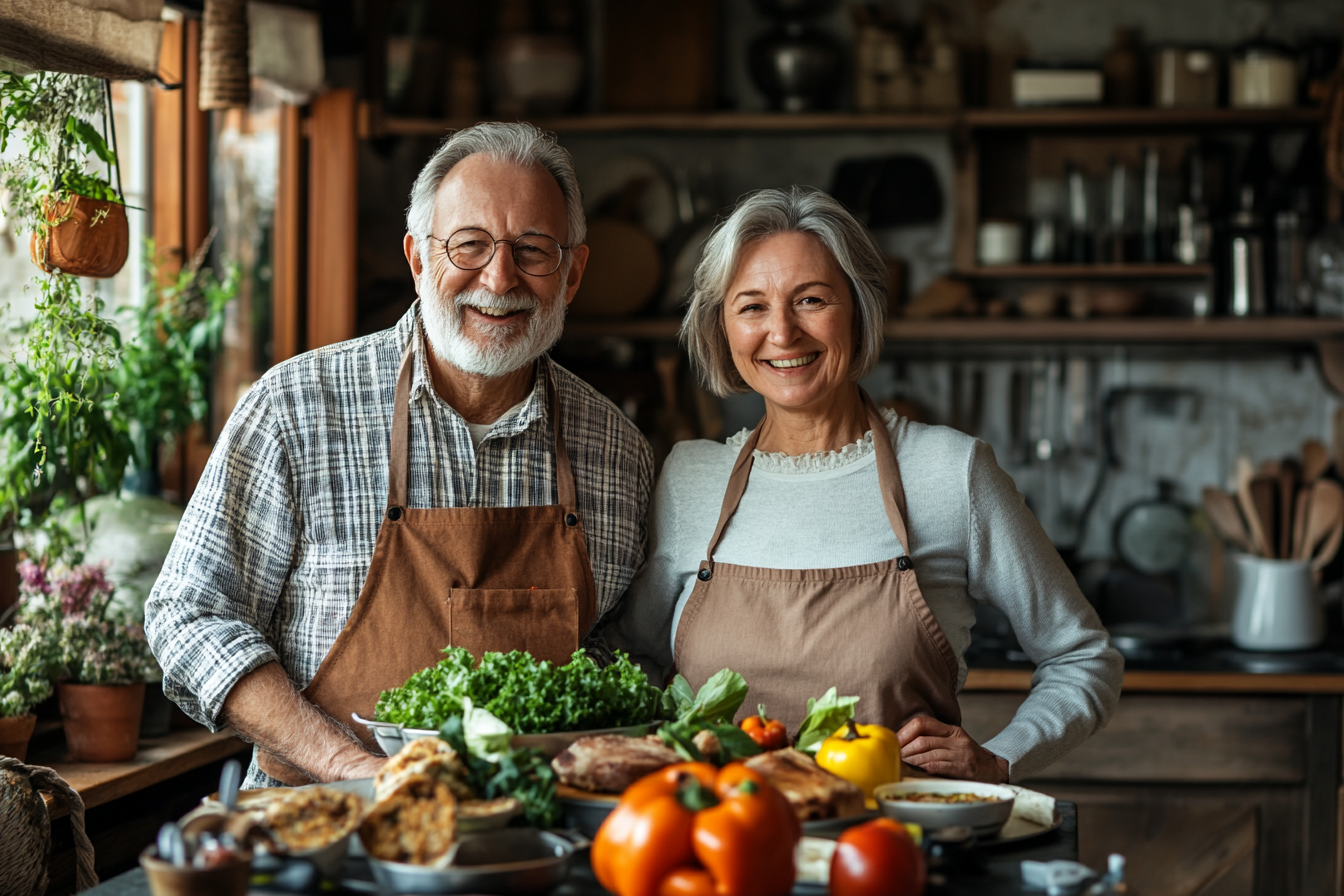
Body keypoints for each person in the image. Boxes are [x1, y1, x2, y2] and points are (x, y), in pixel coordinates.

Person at [145, 123, 653, 789]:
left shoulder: (617, 451)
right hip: (321, 825)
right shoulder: (297, 408)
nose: (499, 279)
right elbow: (189, 614)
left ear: (574, 273)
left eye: (533, 250)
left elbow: (621, 657)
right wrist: (352, 769)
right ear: (417, 260)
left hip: (526, 835)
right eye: (468, 246)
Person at [611, 187, 1121, 783]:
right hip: (722, 850)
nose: (782, 332)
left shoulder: (950, 472)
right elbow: (634, 663)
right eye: (751, 306)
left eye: (811, 300)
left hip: (893, 850)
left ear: (858, 308)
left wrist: (1001, 758)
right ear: (721, 327)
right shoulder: (691, 477)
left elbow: (1082, 657)